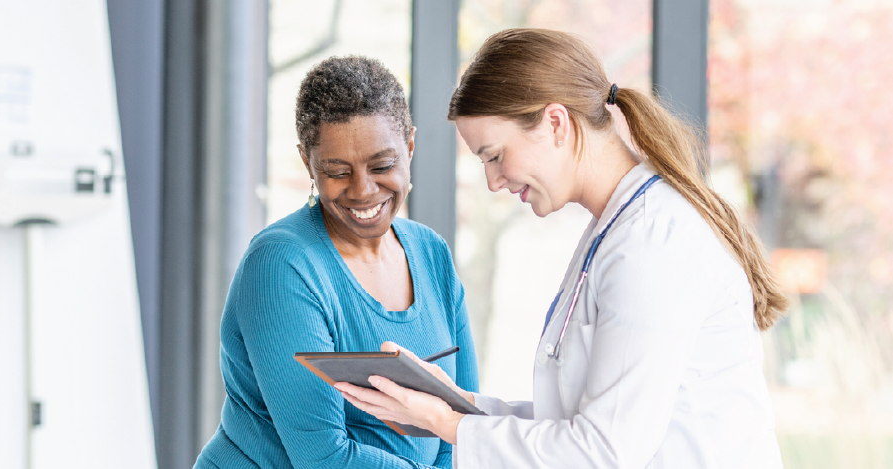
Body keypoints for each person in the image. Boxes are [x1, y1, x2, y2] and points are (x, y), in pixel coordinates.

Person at [336, 28, 789, 468]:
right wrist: (459, 406)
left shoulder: (651, 243)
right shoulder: (616, 228)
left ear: (556, 123)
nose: (494, 181)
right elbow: (574, 423)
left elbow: (603, 452)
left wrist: (449, 424)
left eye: (495, 156)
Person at [192, 56, 479, 469]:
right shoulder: (281, 265)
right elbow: (324, 457)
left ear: (410, 147)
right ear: (308, 162)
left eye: (382, 165)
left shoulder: (431, 254)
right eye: (337, 171)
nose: (363, 191)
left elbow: (462, 428)